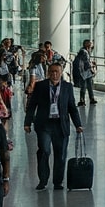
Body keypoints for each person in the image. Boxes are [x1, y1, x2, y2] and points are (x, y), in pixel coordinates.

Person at [24, 60, 84, 190]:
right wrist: (27, 122)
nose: (54, 74)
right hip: (44, 125)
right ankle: (43, 180)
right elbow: (32, 105)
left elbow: (72, 107)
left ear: (61, 72)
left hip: (61, 125)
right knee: (44, 151)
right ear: (47, 73)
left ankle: (58, 181)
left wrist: (78, 124)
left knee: (60, 154)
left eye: (57, 71)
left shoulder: (67, 87)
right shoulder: (40, 86)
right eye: (51, 72)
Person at [73, 39, 97, 104]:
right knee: (87, 86)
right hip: (84, 72)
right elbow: (86, 63)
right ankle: (86, 99)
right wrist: (92, 67)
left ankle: (84, 99)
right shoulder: (84, 52)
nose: (91, 45)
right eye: (90, 44)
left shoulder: (83, 51)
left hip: (83, 72)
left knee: (87, 86)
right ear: (87, 44)